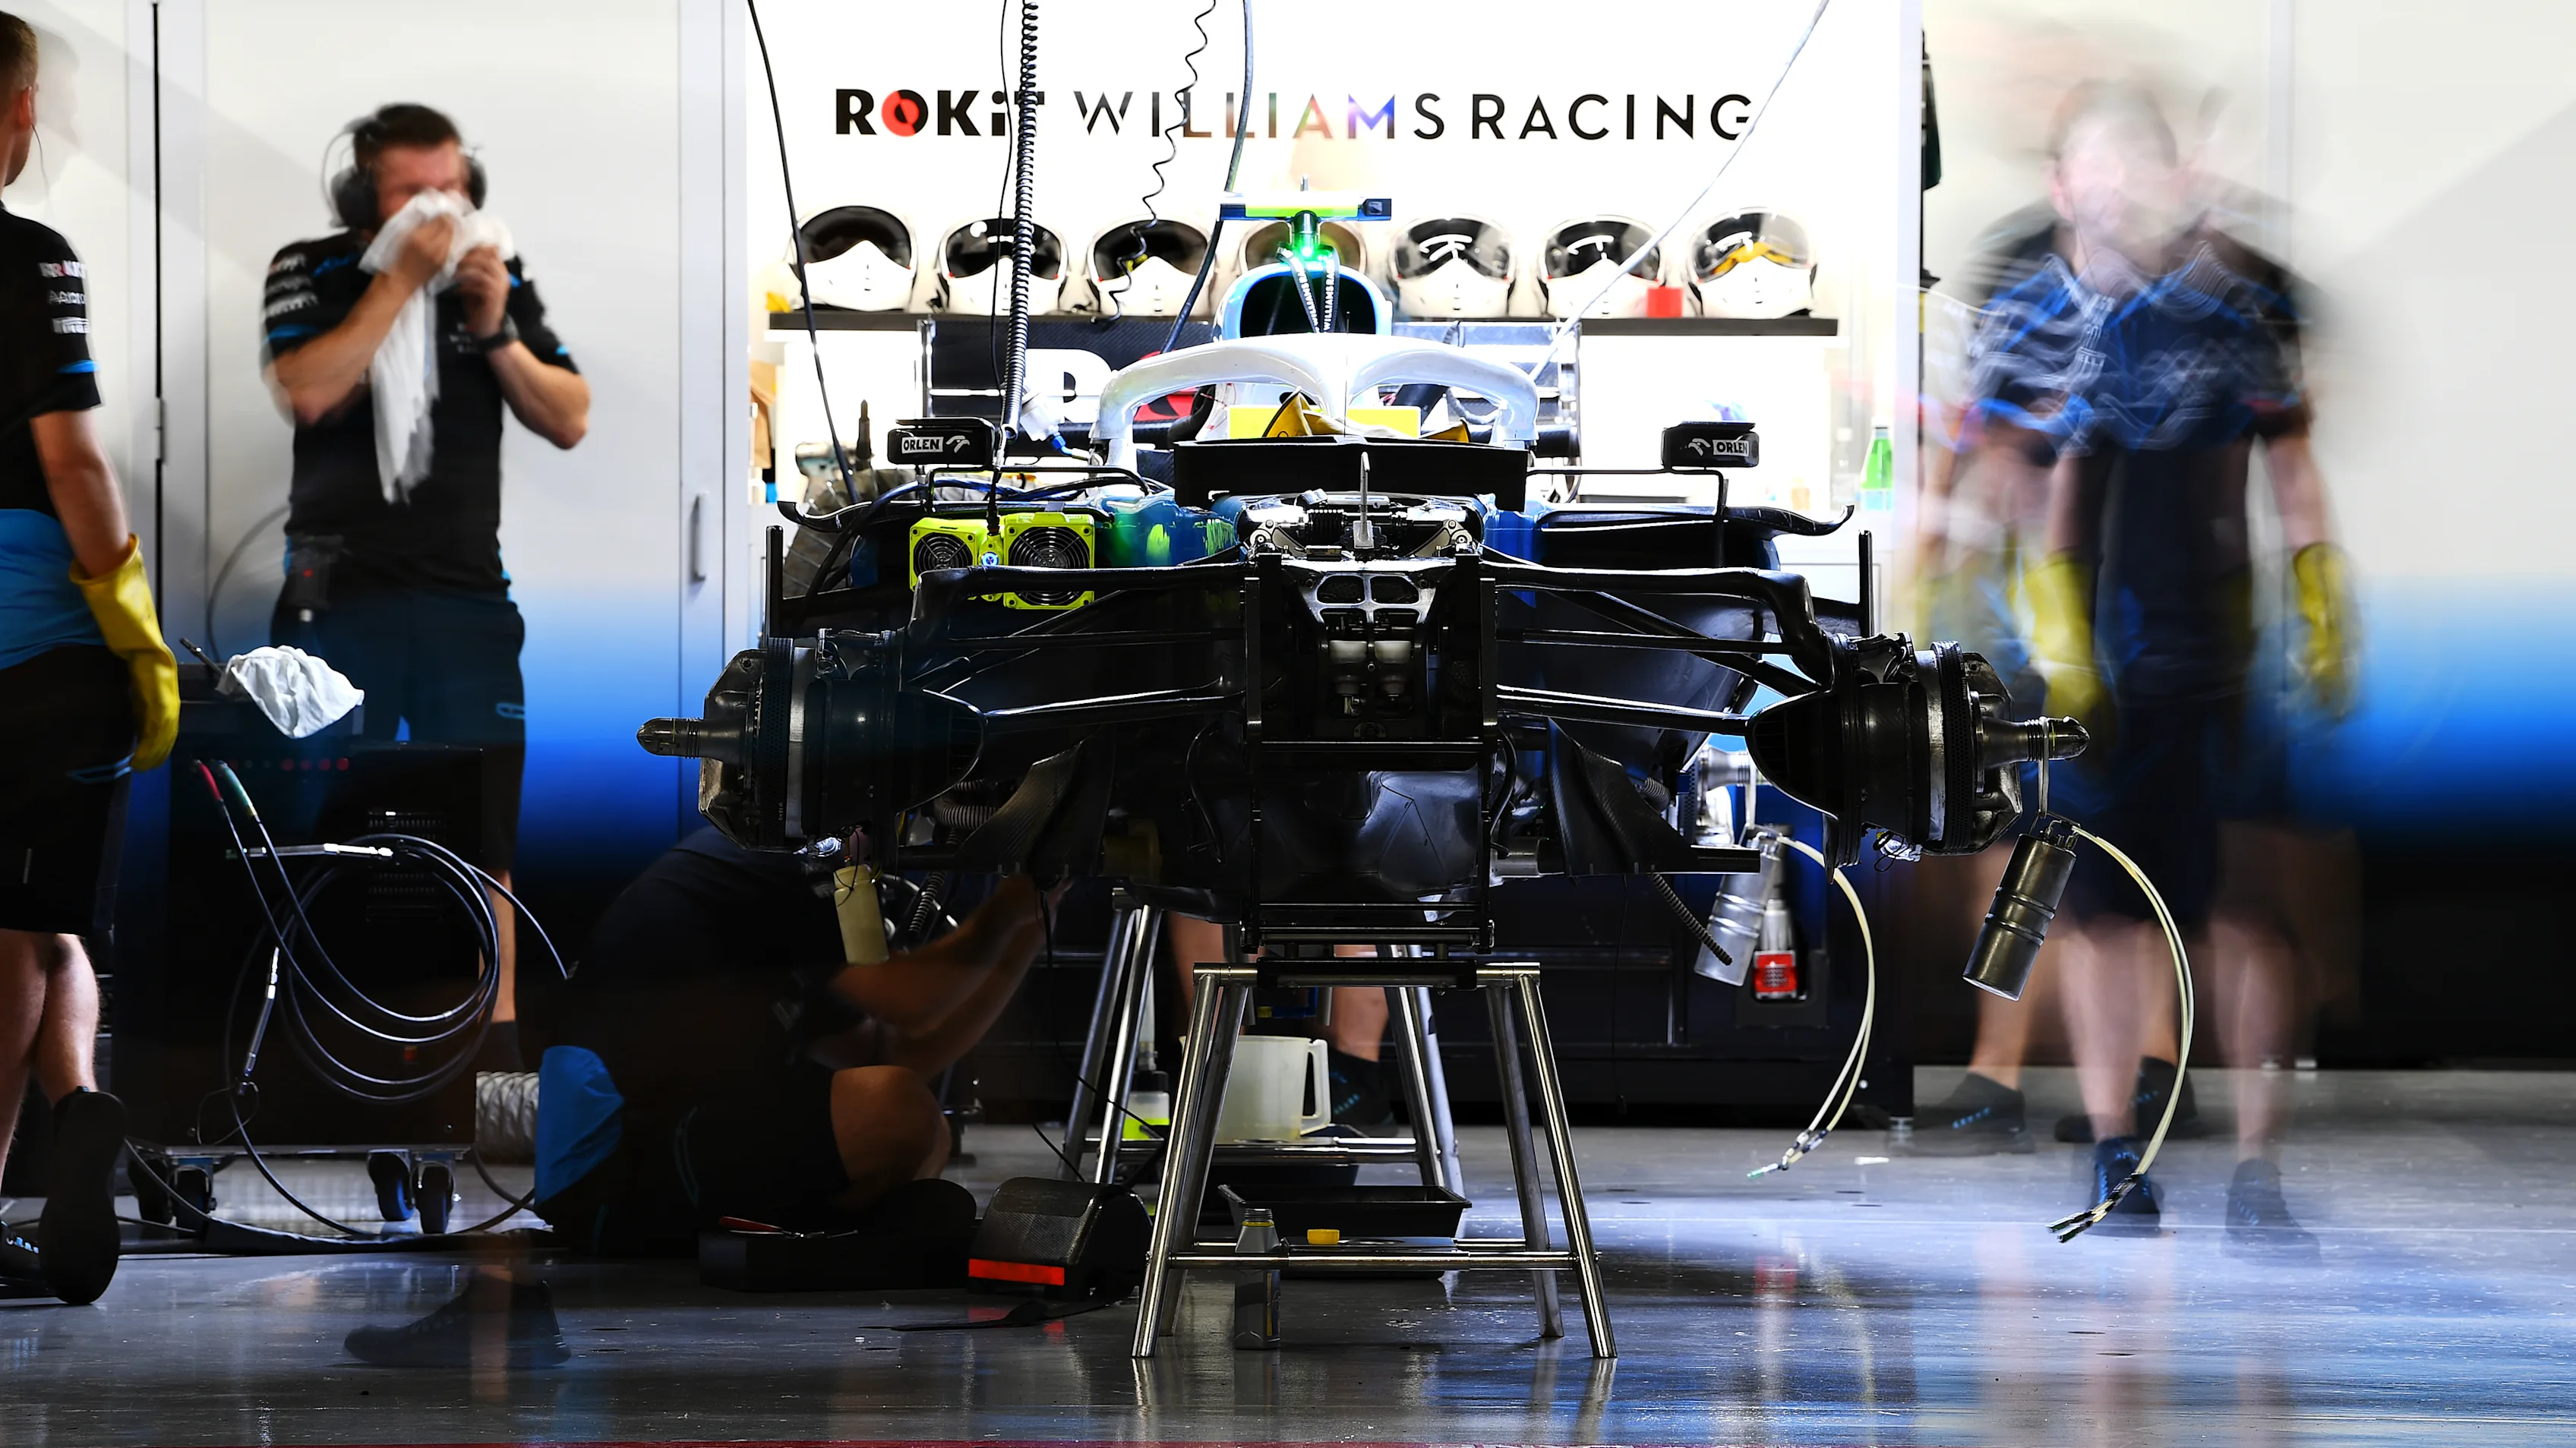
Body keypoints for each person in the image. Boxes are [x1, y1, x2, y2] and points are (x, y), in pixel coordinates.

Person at [1967, 81, 2351, 1244]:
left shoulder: (2238, 308)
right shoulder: (2037, 310)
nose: (2119, 183)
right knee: (2098, 915)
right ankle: (2114, 1156)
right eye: (2097, 163)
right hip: (2096, 671)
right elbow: (2023, 472)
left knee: (2246, 914)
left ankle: (2257, 1166)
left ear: (2170, 177)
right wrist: (2036, 613)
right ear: (2063, 183)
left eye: (2139, 161)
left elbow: (2290, 464)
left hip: (2225, 659)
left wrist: (2322, 592)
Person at [260, 103, 589, 1067]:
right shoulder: (310, 267)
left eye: (448, 189)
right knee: (322, 836)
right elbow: (312, 387)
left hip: (466, 603)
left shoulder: (493, 276)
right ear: (365, 196)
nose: (434, 212)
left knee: (485, 841)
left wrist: (494, 329)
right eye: (410, 193)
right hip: (337, 602)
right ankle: (320, 1050)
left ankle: (491, 1058)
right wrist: (397, 283)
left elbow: (568, 416)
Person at [529, 828, 1053, 1254]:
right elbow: (911, 1001)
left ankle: (839, 1255)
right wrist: (1009, 904)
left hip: (671, 1137)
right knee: (896, 1113)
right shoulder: (775, 857)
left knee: (922, 1126)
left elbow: (893, 1053)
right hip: (609, 1167)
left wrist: (1029, 929)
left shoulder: (819, 882)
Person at [0, 12, 169, 1306]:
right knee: (36, 926)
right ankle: (78, 1112)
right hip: (38, 658)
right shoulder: (29, 259)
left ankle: (69, 1120)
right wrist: (132, 619)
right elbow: (71, 459)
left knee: (29, 926)